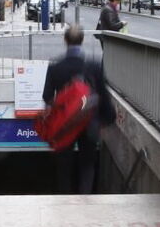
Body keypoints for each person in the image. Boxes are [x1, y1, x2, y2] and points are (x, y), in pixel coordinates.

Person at [42, 25, 116, 194]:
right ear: (82, 41)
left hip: (65, 124)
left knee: (64, 166)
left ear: (65, 41)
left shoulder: (55, 68)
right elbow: (103, 94)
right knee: (87, 164)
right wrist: (108, 118)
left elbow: (47, 96)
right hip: (89, 122)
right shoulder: (94, 66)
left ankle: (65, 200)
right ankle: (85, 199)